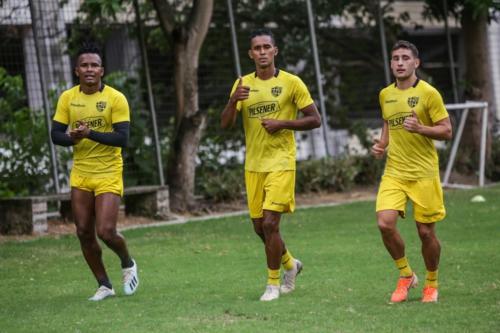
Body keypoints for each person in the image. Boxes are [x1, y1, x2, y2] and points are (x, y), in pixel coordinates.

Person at [221, 28, 322, 301]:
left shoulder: (292, 83)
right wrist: (233, 100)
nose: (262, 52)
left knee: (269, 224)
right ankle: (291, 264)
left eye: (267, 47)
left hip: (282, 162)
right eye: (257, 48)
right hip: (254, 165)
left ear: (275, 51)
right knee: (259, 227)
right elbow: (225, 124)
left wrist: (283, 124)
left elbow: (315, 119)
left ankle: (272, 284)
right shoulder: (242, 84)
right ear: (250, 53)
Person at [51, 43, 139, 301]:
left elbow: (123, 138)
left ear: (102, 70)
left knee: (106, 231)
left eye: (94, 65)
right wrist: (73, 139)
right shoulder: (68, 98)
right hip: (81, 173)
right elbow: (56, 135)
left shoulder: (115, 98)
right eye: (84, 65)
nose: (89, 69)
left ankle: (127, 262)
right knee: (83, 232)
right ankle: (104, 285)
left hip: (109, 171)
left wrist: (90, 133)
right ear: (77, 70)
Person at [371, 40, 452, 303]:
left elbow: (446, 131)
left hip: (424, 173)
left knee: (426, 232)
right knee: (384, 223)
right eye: (395, 58)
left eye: (405, 58)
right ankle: (406, 275)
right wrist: (382, 144)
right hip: (394, 171)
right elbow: (388, 124)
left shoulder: (429, 93)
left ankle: (431, 282)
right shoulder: (385, 94)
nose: (400, 63)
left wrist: (422, 129)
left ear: (416, 63)